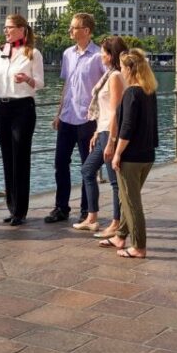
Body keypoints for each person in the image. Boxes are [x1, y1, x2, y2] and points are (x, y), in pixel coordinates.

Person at [45, 12, 106, 224]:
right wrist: (58, 113)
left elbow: (106, 88)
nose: (70, 30)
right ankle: (61, 207)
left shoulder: (99, 56)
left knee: (86, 167)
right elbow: (67, 86)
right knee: (60, 162)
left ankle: (86, 211)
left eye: (74, 27)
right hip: (67, 117)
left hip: (88, 119)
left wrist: (101, 119)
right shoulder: (67, 54)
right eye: (71, 27)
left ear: (86, 31)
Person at [98, 49, 158, 259]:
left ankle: (139, 246)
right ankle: (120, 235)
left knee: (132, 203)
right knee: (127, 198)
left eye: (122, 67)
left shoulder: (132, 92)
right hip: (147, 155)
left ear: (130, 69)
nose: (120, 71)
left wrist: (117, 153)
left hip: (131, 157)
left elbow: (127, 128)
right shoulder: (149, 90)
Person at [0, 14, 44, 226]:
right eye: (5, 28)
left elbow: (40, 83)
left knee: (21, 157)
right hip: (1, 107)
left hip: (23, 108)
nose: (6, 31)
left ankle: (21, 210)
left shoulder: (33, 53)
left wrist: (27, 79)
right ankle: (12, 207)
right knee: (7, 157)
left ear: (22, 29)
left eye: (9, 27)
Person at [76, 36, 127, 235]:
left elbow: (115, 110)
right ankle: (92, 217)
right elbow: (105, 109)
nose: (101, 55)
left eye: (104, 52)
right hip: (103, 130)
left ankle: (116, 223)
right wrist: (97, 131)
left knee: (114, 181)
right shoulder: (109, 74)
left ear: (111, 55)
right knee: (87, 170)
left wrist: (111, 141)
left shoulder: (115, 77)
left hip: (110, 132)